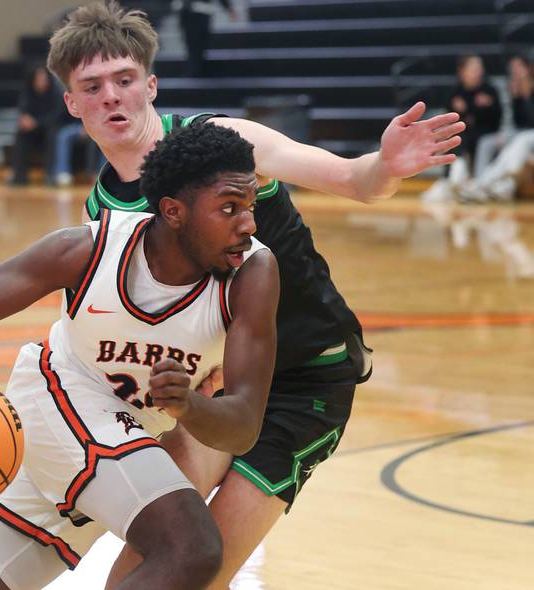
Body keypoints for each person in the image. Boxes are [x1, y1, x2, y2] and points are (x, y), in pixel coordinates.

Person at [45, 3, 464, 587]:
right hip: (219, 388)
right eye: (93, 87)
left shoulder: (222, 141)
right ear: (71, 103)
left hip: (303, 378)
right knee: (147, 565)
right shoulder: (102, 215)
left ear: (151, 85)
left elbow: (352, 179)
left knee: (203, 570)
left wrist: (385, 167)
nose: (112, 97)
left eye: (124, 79)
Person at [0, 123, 281, 589]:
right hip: (57, 396)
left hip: (124, 434)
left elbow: (244, 426)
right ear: (173, 211)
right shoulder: (88, 249)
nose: (248, 224)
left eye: (249, 207)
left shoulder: (253, 272)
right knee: (190, 547)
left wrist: (191, 406)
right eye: (229, 208)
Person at [459, 54, 534, 202]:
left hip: (527, 136)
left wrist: (526, 96)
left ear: (528, 69)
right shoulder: (515, 92)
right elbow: (518, 122)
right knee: (488, 142)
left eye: (519, 68)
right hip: (521, 133)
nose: (515, 72)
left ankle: (481, 184)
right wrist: (518, 98)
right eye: (512, 69)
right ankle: (488, 185)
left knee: (520, 143)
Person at [7, 65, 64, 186]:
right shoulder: (27, 92)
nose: (41, 82)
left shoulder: (56, 92)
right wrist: (25, 120)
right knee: (21, 133)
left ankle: (50, 175)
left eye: (43, 79)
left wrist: (36, 123)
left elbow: (56, 116)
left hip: (49, 127)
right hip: (34, 130)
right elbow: (23, 111)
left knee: (52, 133)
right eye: (38, 79)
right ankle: (19, 175)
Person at [174, 0, 237, 77]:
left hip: (202, 15)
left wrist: (229, 8)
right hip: (189, 14)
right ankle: (195, 71)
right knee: (193, 46)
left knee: (200, 46)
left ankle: (196, 71)